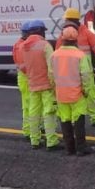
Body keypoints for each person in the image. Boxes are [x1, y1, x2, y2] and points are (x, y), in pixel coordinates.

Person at [56, 6, 95, 128]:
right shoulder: (64, 34)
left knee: (90, 95)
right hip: (71, 72)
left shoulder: (86, 33)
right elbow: (57, 54)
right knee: (73, 97)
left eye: (68, 19)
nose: (66, 22)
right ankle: (75, 121)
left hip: (85, 70)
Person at [51, 26, 95, 155]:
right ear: (76, 40)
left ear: (62, 39)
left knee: (65, 120)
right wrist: (86, 90)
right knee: (79, 120)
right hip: (76, 93)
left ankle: (69, 148)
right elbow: (86, 75)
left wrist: (54, 90)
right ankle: (81, 147)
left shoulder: (54, 55)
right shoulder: (80, 55)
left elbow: (51, 75)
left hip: (61, 93)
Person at [22, 20, 60, 149]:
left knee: (34, 113)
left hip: (32, 84)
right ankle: (51, 141)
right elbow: (52, 68)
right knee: (49, 113)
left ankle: (35, 141)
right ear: (40, 31)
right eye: (43, 31)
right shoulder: (45, 45)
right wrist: (54, 85)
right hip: (46, 85)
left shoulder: (24, 46)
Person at [12, 22, 32, 138]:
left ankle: (31, 128)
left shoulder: (19, 44)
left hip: (25, 78)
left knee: (29, 105)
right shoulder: (22, 46)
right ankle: (28, 130)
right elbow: (24, 67)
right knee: (29, 106)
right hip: (26, 79)